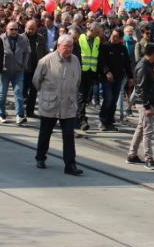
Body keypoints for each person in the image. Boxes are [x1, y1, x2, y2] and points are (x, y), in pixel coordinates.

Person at [32, 34, 83, 176]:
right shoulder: (46, 61)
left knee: (68, 135)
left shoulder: (75, 61)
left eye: (71, 46)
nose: (69, 49)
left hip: (68, 104)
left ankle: (70, 165)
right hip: (50, 103)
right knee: (45, 132)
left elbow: (78, 80)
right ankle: (40, 157)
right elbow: (36, 81)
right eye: (66, 47)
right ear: (58, 46)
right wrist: (47, 93)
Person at [127, 42, 154, 169]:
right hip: (144, 103)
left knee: (141, 128)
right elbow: (141, 88)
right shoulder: (143, 66)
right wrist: (147, 106)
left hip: (146, 102)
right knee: (148, 130)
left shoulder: (146, 65)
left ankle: (132, 154)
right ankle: (148, 158)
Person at [97, 28, 133, 131]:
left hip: (118, 78)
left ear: (121, 39)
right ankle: (102, 120)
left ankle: (109, 121)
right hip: (106, 78)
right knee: (108, 98)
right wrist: (107, 72)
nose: (114, 38)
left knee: (114, 100)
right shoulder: (104, 46)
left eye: (116, 37)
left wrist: (130, 77)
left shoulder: (123, 49)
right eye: (113, 35)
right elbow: (101, 62)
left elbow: (127, 64)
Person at [0, 20, 31, 126]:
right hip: (5, 71)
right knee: (2, 93)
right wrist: (1, 65)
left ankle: (19, 115)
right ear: (6, 29)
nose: (14, 31)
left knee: (18, 93)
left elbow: (27, 52)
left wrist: (24, 65)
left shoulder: (23, 39)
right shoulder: (1, 39)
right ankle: (1, 114)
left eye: (16, 29)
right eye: (11, 29)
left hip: (18, 70)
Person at [76, 22, 102, 131]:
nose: (98, 34)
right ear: (91, 30)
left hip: (91, 73)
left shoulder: (97, 40)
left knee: (84, 97)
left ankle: (78, 117)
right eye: (97, 32)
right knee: (81, 96)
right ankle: (82, 120)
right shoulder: (80, 39)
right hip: (81, 72)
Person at [23, 19, 48, 118]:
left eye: (32, 29)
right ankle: (19, 112)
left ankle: (30, 111)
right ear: (25, 28)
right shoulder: (21, 37)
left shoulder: (40, 38)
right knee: (21, 91)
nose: (30, 31)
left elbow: (45, 52)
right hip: (24, 68)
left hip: (36, 69)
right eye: (29, 28)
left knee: (33, 92)